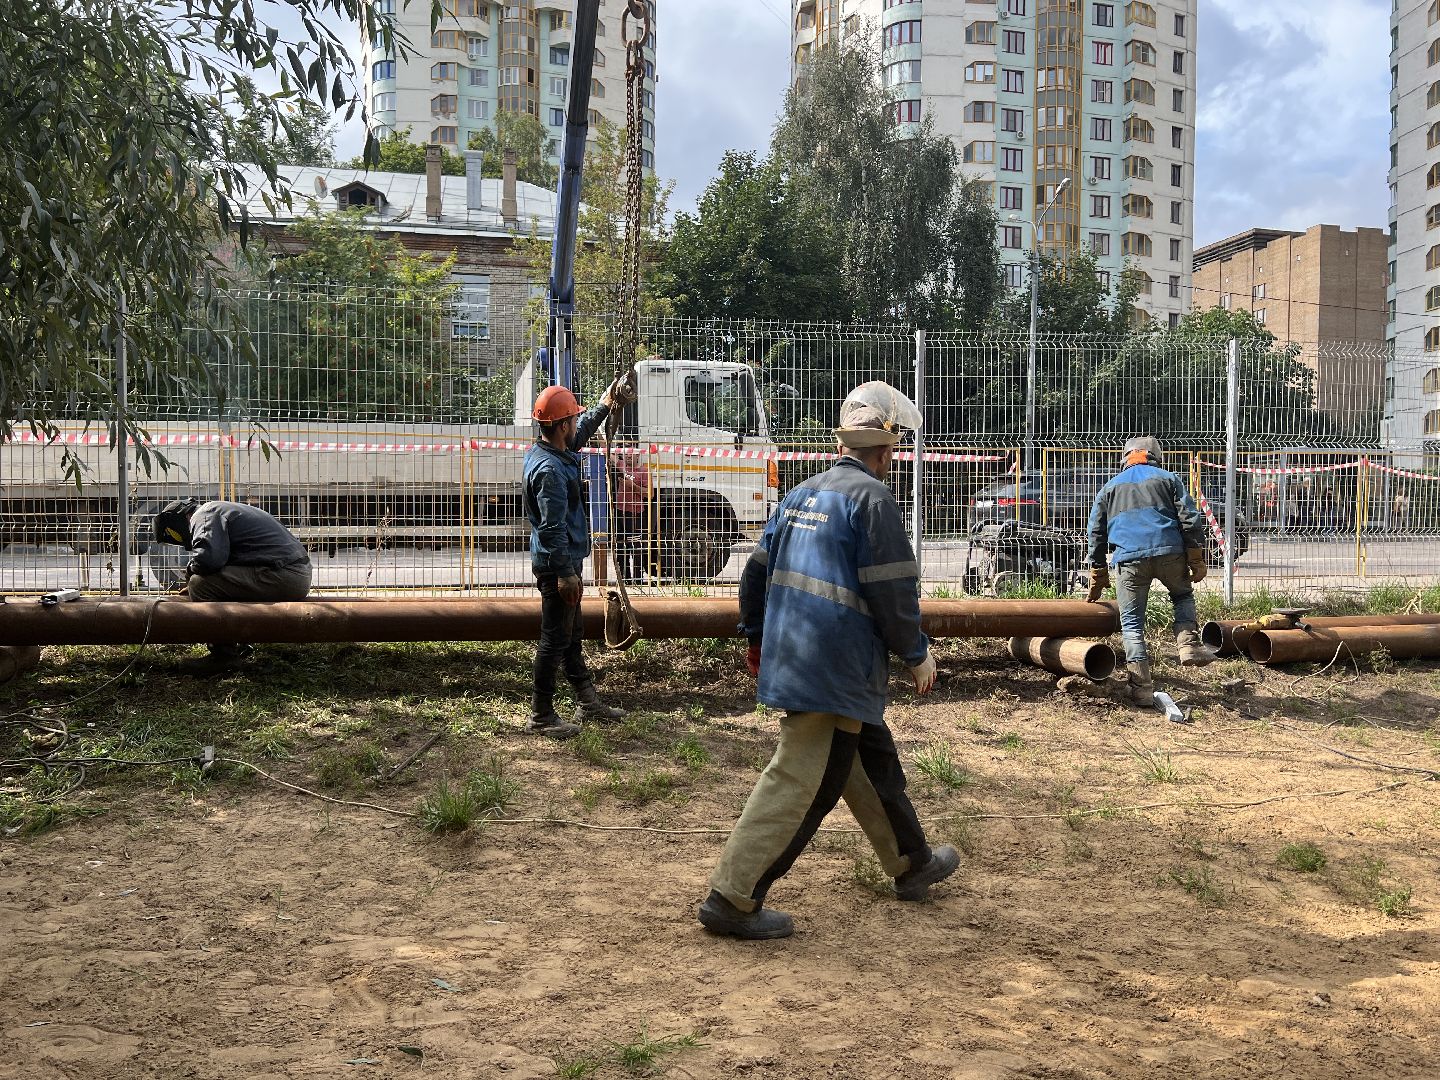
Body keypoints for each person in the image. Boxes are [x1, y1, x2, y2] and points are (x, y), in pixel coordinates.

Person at [697, 381, 958, 941]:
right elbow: (893, 593)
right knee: (806, 778)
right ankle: (732, 897)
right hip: (836, 667)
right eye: (895, 451)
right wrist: (917, 654)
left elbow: (755, 574)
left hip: (797, 656)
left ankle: (911, 861)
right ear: (886, 450)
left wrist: (756, 636)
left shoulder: (800, 494)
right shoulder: (874, 501)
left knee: (866, 757)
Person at [523, 376, 637, 739]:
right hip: (559, 566)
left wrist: (606, 403)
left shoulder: (550, 451)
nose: (576, 424)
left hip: (564, 562)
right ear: (561, 426)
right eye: (573, 419)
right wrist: (565, 575)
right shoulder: (551, 472)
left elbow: (581, 434)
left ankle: (587, 703)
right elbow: (552, 527)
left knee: (570, 637)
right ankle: (541, 716)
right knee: (554, 640)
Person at [1084, 436, 1214, 703]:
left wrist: (1098, 571)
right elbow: (1189, 518)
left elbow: (1095, 532)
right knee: (1181, 596)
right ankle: (1188, 644)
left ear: (1125, 457)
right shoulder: (1168, 479)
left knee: (1131, 624)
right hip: (1170, 553)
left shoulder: (1109, 488)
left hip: (1129, 560)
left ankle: (1141, 688)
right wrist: (1196, 557)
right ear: (1156, 456)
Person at [151, 497, 312, 670]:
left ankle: (223, 656)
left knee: (200, 585)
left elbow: (209, 560)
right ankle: (240, 643)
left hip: (284, 575)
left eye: (174, 535)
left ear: (180, 519)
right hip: (293, 574)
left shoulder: (203, 515)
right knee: (208, 584)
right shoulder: (220, 510)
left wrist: (191, 574)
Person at [610, 452, 651, 582]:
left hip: (636, 515)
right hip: (620, 512)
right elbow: (606, 448)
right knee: (621, 547)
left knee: (636, 547)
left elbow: (650, 494)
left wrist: (633, 486)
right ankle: (624, 578)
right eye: (626, 454)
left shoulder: (644, 471)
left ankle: (638, 579)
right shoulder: (621, 465)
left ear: (638, 456)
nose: (628, 456)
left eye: (631, 454)